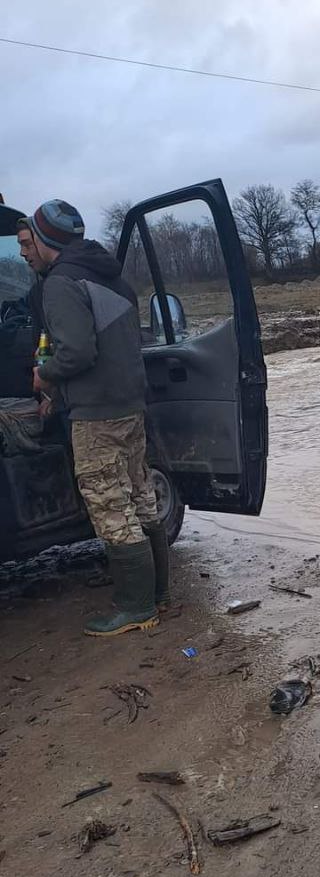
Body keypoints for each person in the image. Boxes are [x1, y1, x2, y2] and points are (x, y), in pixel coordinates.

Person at [29, 199, 170, 636]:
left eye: (28, 239)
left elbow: (76, 352)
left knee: (110, 506)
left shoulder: (61, 282)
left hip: (96, 414)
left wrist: (43, 374)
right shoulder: (111, 276)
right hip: (130, 405)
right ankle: (156, 592)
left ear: (45, 238)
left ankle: (135, 607)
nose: (23, 249)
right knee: (140, 496)